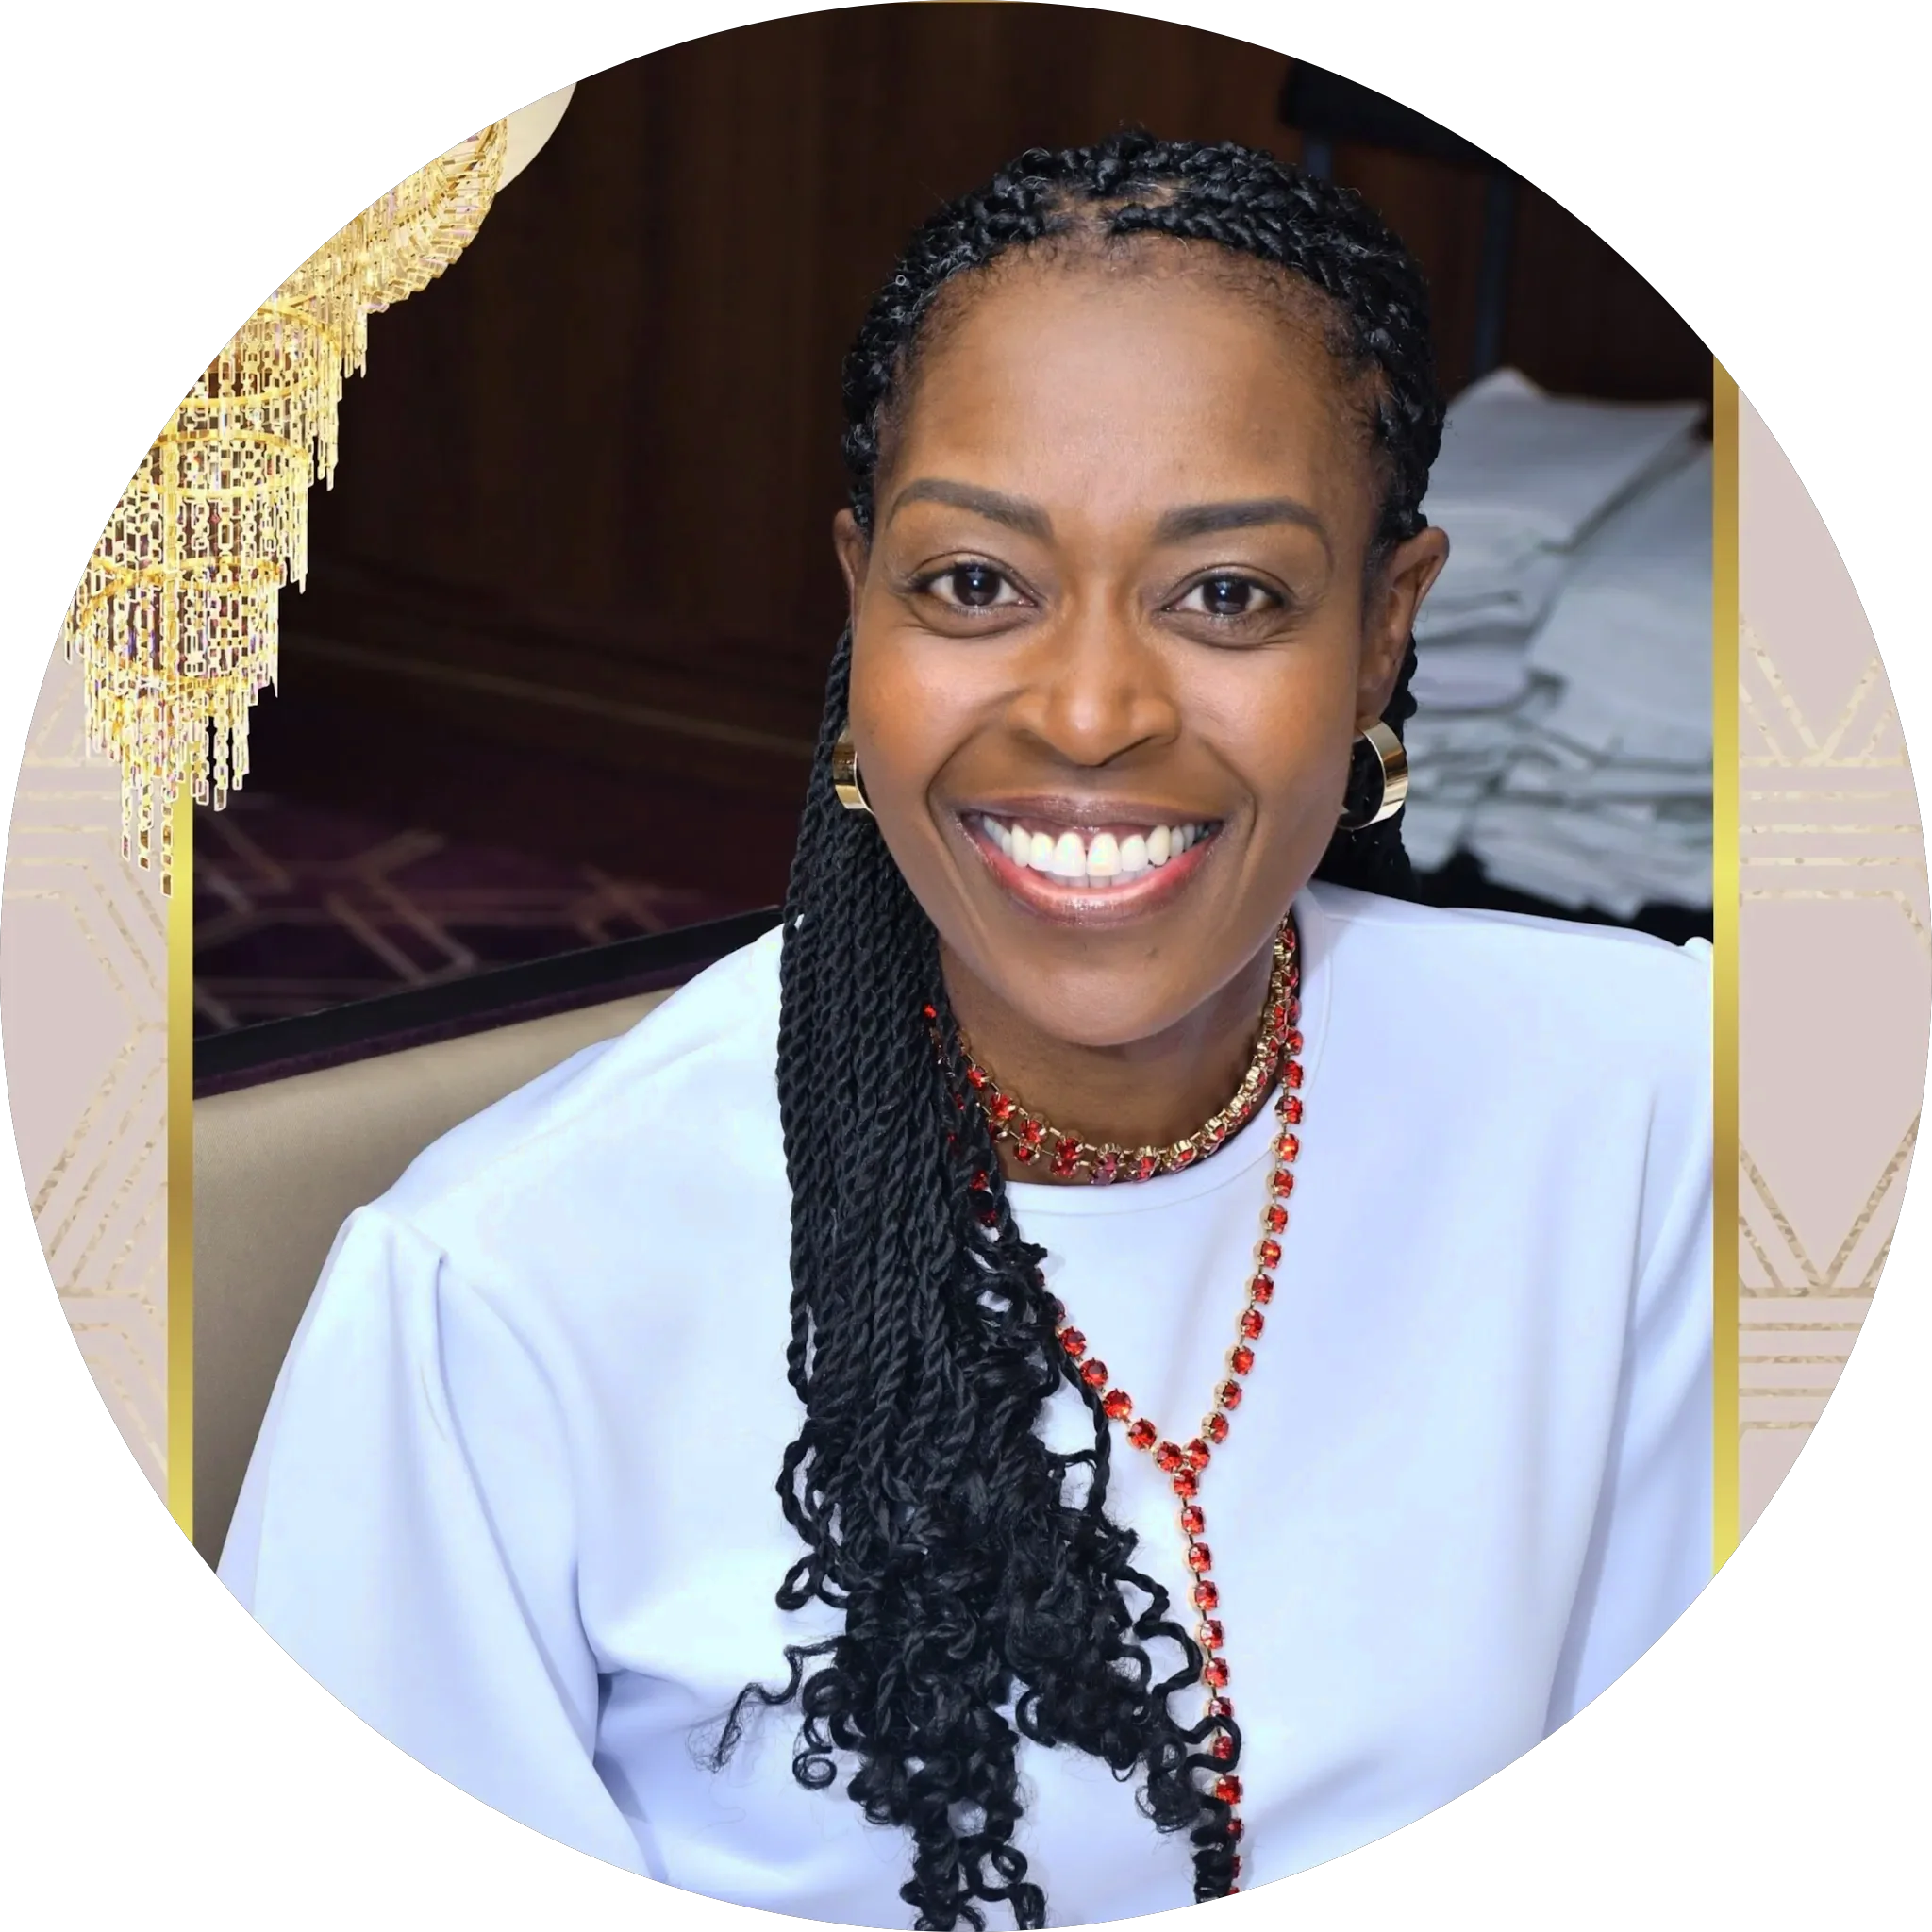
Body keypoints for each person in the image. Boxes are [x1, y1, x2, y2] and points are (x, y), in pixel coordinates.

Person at [219, 131, 1713, 1932]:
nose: (1088, 711)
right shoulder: (503, 1294)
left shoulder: (1645, 1104)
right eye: (976, 585)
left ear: (1386, 631)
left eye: (1228, 595)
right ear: (859, 598)